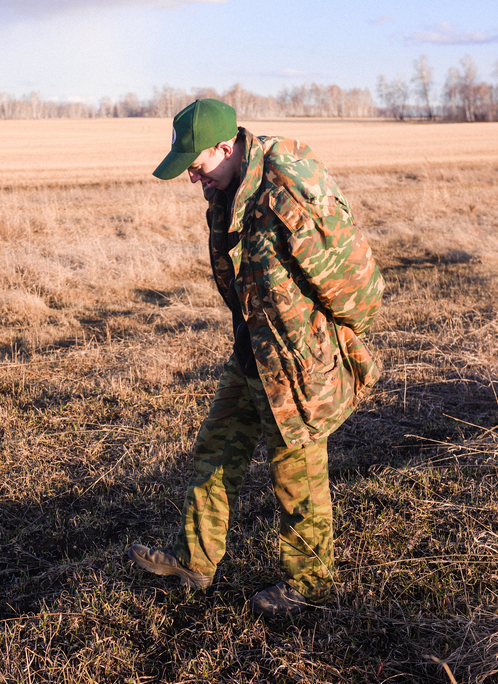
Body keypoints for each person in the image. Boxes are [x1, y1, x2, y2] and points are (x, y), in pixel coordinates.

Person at [127, 98, 385, 617]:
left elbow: (354, 282)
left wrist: (334, 341)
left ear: (225, 147)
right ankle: (193, 562)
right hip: (253, 349)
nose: (194, 179)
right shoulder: (230, 188)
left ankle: (309, 586)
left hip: (295, 360)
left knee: (298, 477)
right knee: (215, 450)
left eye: (197, 166)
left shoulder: (288, 189)